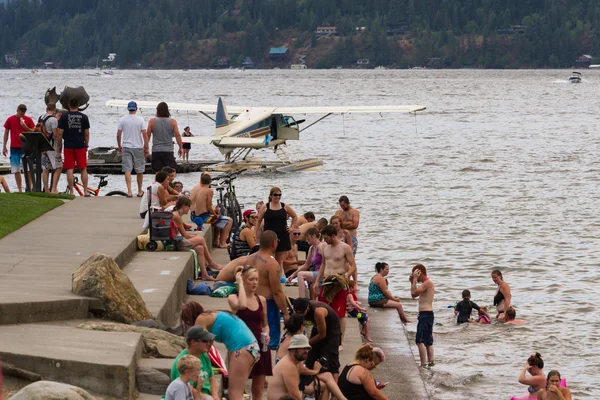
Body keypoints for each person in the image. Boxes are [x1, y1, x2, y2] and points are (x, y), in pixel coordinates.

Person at [180, 302, 259, 400]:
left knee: (234, 392)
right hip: (253, 347)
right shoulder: (212, 314)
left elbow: (197, 343)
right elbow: (208, 346)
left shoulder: (201, 319)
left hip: (241, 350)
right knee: (239, 389)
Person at [228, 266, 272, 400]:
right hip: (242, 346)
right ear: (243, 280)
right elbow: (241, 306)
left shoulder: (261, 300)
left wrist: (267, 334)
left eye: (256, 280)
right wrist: (239, 283)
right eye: (250, 279)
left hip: (260, 344)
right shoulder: (233, 298)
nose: (254, 283)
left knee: (258, 388)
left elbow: (265, 324)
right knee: (239, 387)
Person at [243, 230, 291, 350]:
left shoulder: (249, 259)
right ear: (274, 243)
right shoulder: (271, 263)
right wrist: (285, 313)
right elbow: (277, 291)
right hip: (267, 304)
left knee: (252, 336)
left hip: (249, 300)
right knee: (269, 343)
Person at [313, 224, 357, 349]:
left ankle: (340, 341)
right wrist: (317, 281)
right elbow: (323, 265)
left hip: (339, 282)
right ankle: (324, 337)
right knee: (321, 310)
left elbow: (353, 265)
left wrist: (347, 275)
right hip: (327, 281)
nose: (325, 240)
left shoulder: (345, 248)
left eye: (327, 238)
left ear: (333, 235)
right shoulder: (325, 247)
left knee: (340, 314)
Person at [172, 197, 222, 280]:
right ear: (184, 206)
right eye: (189, 206)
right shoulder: (177, 216)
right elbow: (186, 235)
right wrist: (196, 236)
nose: (189, 209)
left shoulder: (175, 214)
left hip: (176, 241)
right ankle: (211, 263)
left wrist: (194, 236)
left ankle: (204, 275)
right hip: (176, 243)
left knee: (200, 248)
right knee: (201, 239)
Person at [293, 298, 342, 379]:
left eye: (302, 313)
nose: (301, 315)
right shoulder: (300, 311)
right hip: (318, 326)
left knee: (330, 360)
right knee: (311, 355)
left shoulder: (318, 311)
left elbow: (322, 335)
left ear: (307, 308)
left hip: (332, 330)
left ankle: (335, 386)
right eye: (298, 313)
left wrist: (305, 344)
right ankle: (310, 381)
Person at [256, 186, 298, 274]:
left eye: (279, 195)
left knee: (279, 260)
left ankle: (277, 278)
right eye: (276, 195)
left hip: (282, 235)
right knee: (267, 258)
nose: (278, 197)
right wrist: (256, 234)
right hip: (269, 235)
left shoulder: (284, 206)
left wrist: (291, 227)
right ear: (271, 196)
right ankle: (266, 275)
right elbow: (259, 221)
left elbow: (294, 216)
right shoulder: (266, 207)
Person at [171, 326, 219, 400]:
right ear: (193, 342)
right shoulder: (183, 361)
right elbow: (186, 387)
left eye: (209, 340)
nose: (209, 343)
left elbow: (211, 378)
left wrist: (215, 396)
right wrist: (205, 397)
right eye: (205, 340)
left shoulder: (204, 355)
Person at [56, 99, 90, 196]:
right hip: (80, 145)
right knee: (83, 168)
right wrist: (86, 144)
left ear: (68, 105)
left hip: (68, 145)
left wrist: (59, 145)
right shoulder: (84, 117)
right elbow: (86, 133)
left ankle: (71, 191)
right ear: (78, 105)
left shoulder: (64, 116)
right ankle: (86, 191)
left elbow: (59, 133)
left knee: (69, 168)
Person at [190, 172, 232, 248]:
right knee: (229, 220)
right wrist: (215, 214)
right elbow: (209, 206)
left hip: (196, 215)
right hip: (203, 217)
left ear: (201, 180)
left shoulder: (199, 189)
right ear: (210, 181)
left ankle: (216, 241)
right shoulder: (209, 191)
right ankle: (223, 243)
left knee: (218, 219)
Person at [117, 101, 148, 198]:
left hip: (126, 146)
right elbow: (144, 134)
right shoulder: (140, 120)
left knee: (127, 169)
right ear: (136, 108)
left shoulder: (122, 119)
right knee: (140, 170)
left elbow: (118, 134)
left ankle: (129, 191)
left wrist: (119, 145)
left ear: (128, 108)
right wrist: (146, 146)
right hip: (138, 147)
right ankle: (139, 191)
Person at [3, 104, 35, 192]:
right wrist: (4, 146)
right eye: (21, 112)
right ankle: (20, 189)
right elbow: (6, 132)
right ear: (17, 110)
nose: (22, 114)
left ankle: (30, 188)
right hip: (14, 147)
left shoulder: (28, 119)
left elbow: (34, 130)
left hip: (25, 147)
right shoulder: (10, 119)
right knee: (16, 169)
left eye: (23, 112)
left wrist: (25, 127)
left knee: (28, 169)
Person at [268, 335, 310, 400]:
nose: (306, 351)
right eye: (303, 348)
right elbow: (295, 395)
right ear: (293, 349)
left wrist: (316, 371)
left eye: (307, 348)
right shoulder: (289, 366)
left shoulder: (291, 361)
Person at [410, 264, 435, 368]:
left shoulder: (427, 283)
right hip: (427, 314)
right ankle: (431, 362)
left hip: (425, 314)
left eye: (416, 274)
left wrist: (414, 280)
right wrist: (413, 281)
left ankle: (423, 364)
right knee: (428, 341)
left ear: (420, 273)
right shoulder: (426, 283)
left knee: (419, 340)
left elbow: (413, 294)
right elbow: (414, 293)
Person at [147, 101, 183, 172]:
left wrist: (146, 147)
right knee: (170, 172)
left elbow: (147, 135)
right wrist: (180, 147)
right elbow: (177, 135)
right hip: (168, 150)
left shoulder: (152, 121)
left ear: (157, 110)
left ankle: (158, 183)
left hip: (156, 150)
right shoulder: (173, 122)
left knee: (157, 172)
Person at [287, 227, 322, 299]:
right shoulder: (311, 248)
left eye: (308, 238)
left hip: (323, 273)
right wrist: (293, 275)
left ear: (314, 236)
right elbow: (307, 264)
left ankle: (302, 300)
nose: (306, 240)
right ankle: (310, 302)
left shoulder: (321, 246)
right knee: (308, 283)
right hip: (316, 272)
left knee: (301, 275)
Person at [39, 103, 62, 194]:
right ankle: (54, 189)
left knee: (45, 168)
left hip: (43, 145)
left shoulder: (41, 117)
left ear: (46, 108)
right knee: (59, 166)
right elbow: (55, 134)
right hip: (52, 146)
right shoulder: (53, 120)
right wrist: (59, 145)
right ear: (55, 109)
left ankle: (46, 190)